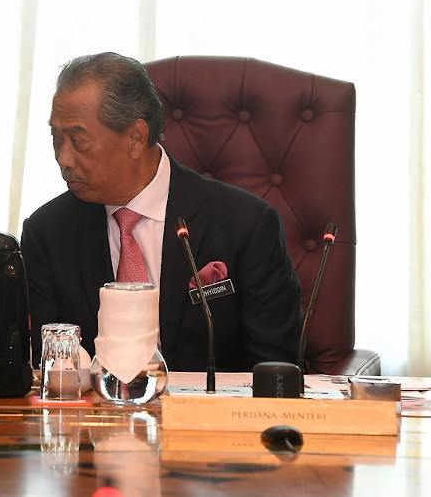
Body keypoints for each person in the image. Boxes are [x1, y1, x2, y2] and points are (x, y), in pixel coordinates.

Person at [21, 52, 303, 372]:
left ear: (135, 137)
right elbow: (41, 366)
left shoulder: (246, 225)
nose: (64, 158)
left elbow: (277, 368)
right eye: (57, 139)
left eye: (78, 140)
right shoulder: (47, 233)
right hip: (95, 418)